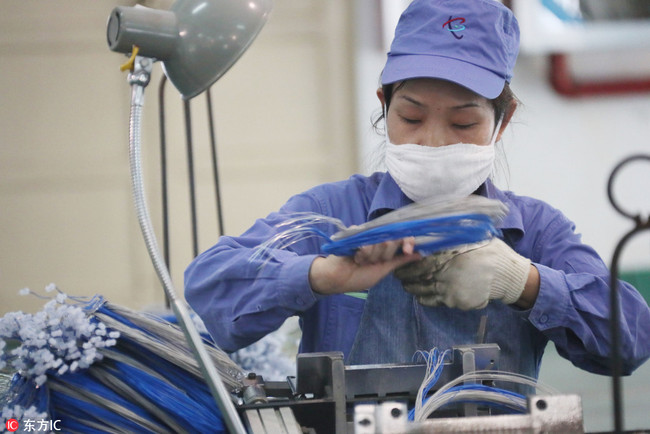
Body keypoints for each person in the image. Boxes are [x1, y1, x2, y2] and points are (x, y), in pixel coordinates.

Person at [184, 0, 650, 380]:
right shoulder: (330, 212)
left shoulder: (535, 232)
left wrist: (525, 284)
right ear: (384, 106)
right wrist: (320, 275)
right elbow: (209, 290)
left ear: (502, 122)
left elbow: (632, 340)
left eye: (463, 122)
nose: (433, 140)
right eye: (411, 117)